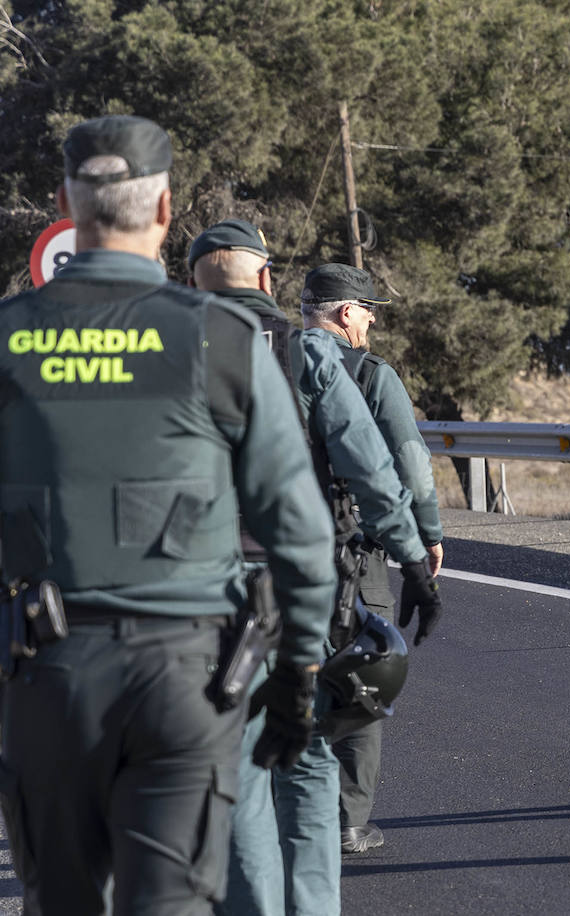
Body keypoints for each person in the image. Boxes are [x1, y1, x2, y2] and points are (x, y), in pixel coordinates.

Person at [0, 115, 336, 915]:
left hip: (48, 675)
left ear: (67, 206)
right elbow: (301, 538)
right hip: (189, 682)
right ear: (162, 212)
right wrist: (296, 679)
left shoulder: (9, 340)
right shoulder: (222, 340)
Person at [188, 221, 442, 914]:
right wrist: (415, 558)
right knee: (303, 750)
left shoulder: (161, 345)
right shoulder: (305, 352)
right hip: (302, 587)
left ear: (190, 281)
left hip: (197, 591)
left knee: (233, 757)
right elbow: (371, 466)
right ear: (268, 279)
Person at [298, 262, 445, 853]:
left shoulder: (270, 363)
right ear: (345, 312)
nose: (373, 321)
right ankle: (348, 823)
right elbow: (409, 461)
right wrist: (425, 535)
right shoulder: (367, 373)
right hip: (348, 552)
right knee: (362, 675)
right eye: (369, 310)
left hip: (265, 548)